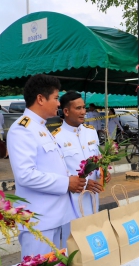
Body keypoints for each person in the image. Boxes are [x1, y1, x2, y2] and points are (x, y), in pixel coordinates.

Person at [7, 74, 86, 257]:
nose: (59, 104)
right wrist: (66, 183)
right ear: (40, 99)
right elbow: (25, 175)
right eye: (56, 98)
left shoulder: (41, 127)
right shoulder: (22, 129)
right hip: (39, 221)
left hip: (55, 217)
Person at [53, 91, 111, 248]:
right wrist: (84, 184)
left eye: (84, 107)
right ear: (66, 111)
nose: (84, 112)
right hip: (72, 201)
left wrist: (103, 173)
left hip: (93, 197)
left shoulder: (90, 131)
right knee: (73, 243)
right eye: (78, 108)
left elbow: (98, 159)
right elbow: (59, 173)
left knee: (93, 238)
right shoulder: (56, 137)